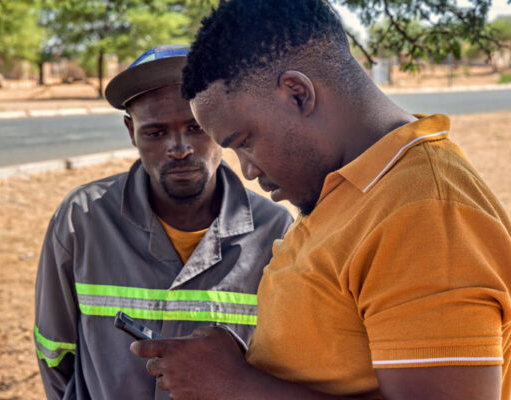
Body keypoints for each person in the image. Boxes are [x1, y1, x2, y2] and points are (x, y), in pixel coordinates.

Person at [130, 2, 511, 399]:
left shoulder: (426, 214)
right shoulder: (351, 187)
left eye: (244, 142)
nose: (247, 170)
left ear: (297, 94)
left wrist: (235, 385)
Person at [33, 44, 293, 400]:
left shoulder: (275, 233)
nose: (180, 147)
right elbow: (55, 352)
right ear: (131, 131)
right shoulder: (83, 220)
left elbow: (287, 366)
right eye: (156, 133)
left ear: (223, 124)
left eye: (196, 127)